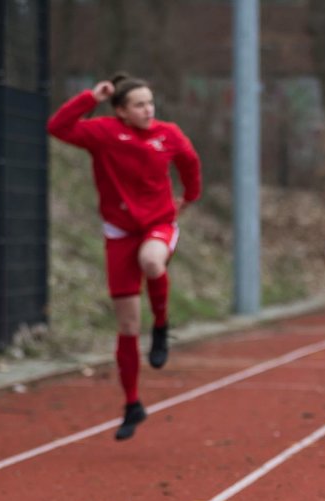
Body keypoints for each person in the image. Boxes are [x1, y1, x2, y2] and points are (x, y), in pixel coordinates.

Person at [48, 72, 201, 440]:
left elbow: (190, 162)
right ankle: (132, 403)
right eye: (139, 104)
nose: (148, 110)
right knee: (128, 326)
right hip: (119, 233)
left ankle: (162, 325)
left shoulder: (168, 133)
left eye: (151, 103)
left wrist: (189, 197)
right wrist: (90, 97)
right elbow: (57, 126)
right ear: (121, 111)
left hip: (159, 224)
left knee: (152, 262)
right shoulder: (102, 133)